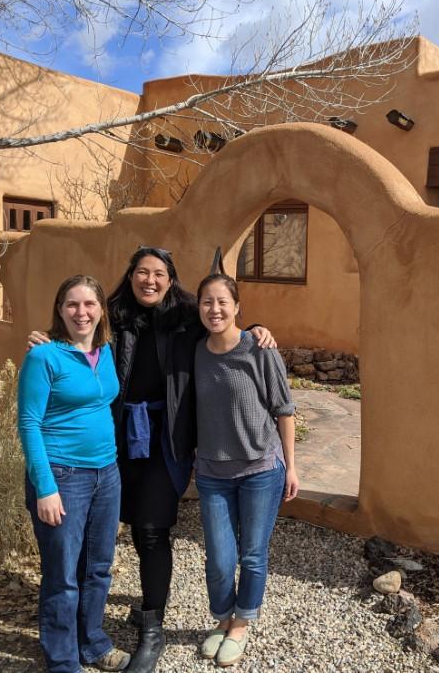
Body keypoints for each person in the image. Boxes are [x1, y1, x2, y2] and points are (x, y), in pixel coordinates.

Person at [30, 247, 275, 673]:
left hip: (166, 439)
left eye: (159, 273)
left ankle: (153, 626)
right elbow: (76, 339)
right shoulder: (114, 315)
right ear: (131, 276)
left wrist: (254, 328)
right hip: (116, 439)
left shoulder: (184, 317)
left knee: (151, 530)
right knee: (93, 541)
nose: (150, 280)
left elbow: (221, 325)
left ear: (170, 278)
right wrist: (44, 342)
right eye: (142, 272)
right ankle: (78, 634)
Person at [18, 275, 129, 673]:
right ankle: (63, 660)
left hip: (106, 473)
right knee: (63, 574)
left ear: (101, 310)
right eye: (72, 304)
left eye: (89, 304)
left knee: (97, 566)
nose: (81, 312)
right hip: (62, 476)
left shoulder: (106, 351)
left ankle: (92, 642)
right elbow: (29, 423)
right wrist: (45, 486)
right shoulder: (44, 356)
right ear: (59, 310)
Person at [193, 273, 299, 668]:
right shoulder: (196, 351)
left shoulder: (259, 348)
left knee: (253, 554)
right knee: (220, 558)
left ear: (237, 306)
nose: (214, 309)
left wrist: (291, 466)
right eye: (207, 301)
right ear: (198, 307)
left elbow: (284, 410)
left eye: (222, 301)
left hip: (261, 469)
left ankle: (241, 623)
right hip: (211, 472)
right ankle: (221, 619)